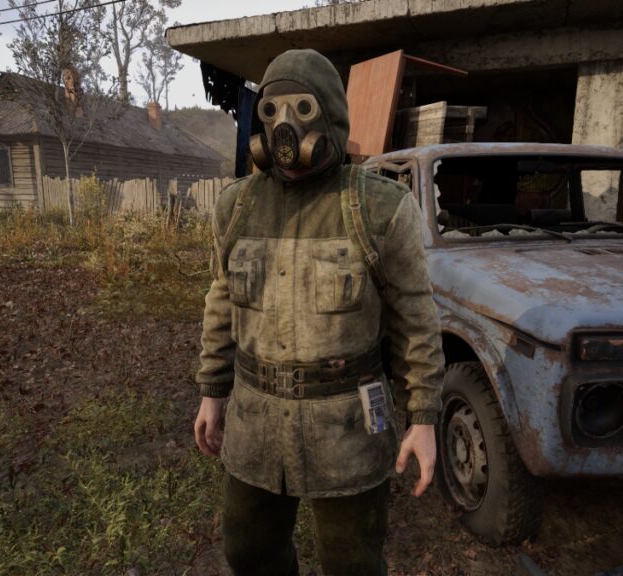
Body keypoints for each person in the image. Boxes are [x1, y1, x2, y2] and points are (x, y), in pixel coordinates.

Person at [193, 48, 445, 576]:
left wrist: (421, 416)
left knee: (352, 562)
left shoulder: (381, 207)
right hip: (255, 425)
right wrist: (212, 392)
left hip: (348, 429)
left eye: (301, 110)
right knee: (248, 553)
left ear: (330, 114)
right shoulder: (235, 205)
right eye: (272, 110)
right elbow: (222, 301)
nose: (284, 126)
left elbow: (415, 318)